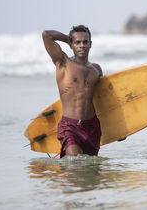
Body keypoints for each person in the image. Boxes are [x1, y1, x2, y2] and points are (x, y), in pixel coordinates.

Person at [42, 25, 103, 157]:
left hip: (92, 127)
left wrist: (119, 129)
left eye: (85, 42)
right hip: (70, 127)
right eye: (77, 42)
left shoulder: (96, 70)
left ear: (90, 44)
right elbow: (46, 35)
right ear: (72, 44)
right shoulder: (63, 62)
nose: (82, 45)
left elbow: (102, 101)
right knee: (75, 164)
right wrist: (67, 38)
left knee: (91, 172)